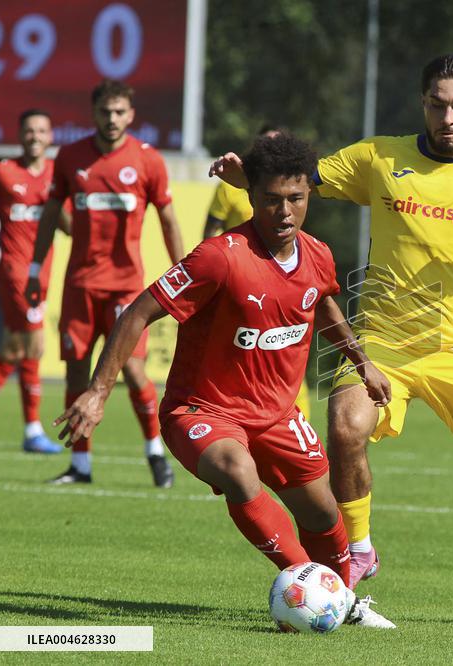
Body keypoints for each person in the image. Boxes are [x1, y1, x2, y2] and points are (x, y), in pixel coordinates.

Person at [212, 53, 453, 632]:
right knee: (344, 427)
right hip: (383, 341)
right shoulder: (378, 158)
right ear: (423, 103)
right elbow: (297, 185)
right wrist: (250, 177)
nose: (448, 117)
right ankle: (360, 548)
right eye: (438, 104)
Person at [56, 132, 395, 629]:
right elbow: (136, 312)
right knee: (237, 470)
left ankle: (341, 596)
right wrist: (98, 389)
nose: (284, 212)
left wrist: (361, 360)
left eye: (296, 199)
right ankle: (320, 593)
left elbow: (320, 301)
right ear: (251, 196)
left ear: (307, 197)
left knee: (324, 515)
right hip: (201, 411)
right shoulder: (220, 257)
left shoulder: (318, 254)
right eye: (272, 200)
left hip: (277, 415)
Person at [26, 79, 184, 487]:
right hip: (79, 286)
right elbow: (49, 216)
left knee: (132, 372)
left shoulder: (148, 161)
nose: (112, 119)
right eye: (105, 112)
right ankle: (80, 465)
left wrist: (183, 271)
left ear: (130, 115)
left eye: (119, 112)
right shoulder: (71, 157)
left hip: (126, 289)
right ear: (93, 113)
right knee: (77, 375)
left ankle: (155, 453)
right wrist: (34, 268)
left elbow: (167, 219)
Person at [204, 124, 313, 417]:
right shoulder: (229, 189)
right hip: (243, 285)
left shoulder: (293, 188)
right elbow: (211, 233)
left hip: (284, 286)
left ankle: (291, 429)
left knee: (286, 366)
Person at [0, 109, 70, 453]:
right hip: (16, 273)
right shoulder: (2, 171)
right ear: (20, 135)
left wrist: (56, 201)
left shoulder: (57, 175)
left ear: (50, 136)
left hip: (44, 272)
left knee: (13, 351)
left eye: (41, 130)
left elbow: (68, 227)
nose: (35, 136)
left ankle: (32, 431)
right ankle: (33, 430)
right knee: (34, 346)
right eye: (29, 131)